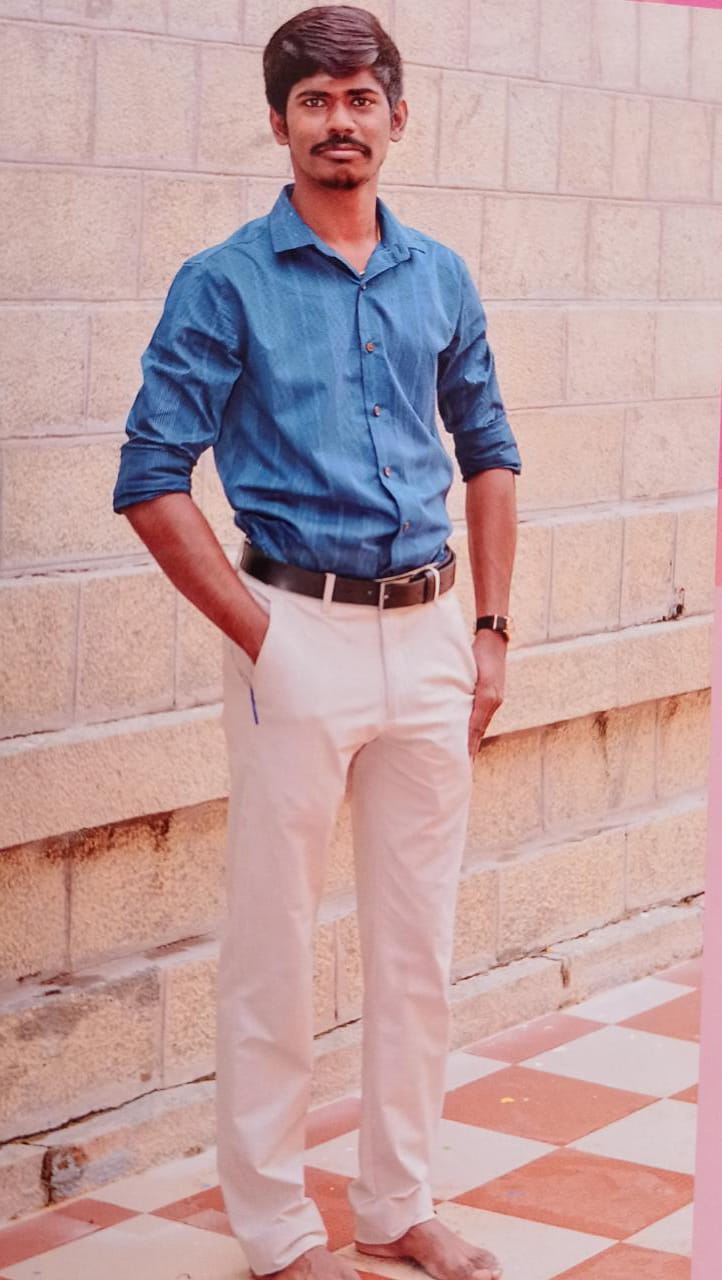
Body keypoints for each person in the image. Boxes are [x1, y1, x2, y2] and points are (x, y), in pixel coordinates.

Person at [113, 6, 520, 1279]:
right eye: (313, 99)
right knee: (273, 944)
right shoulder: (224, 280)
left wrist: (489, 630)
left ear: (396, 115)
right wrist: (263, 637)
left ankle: (396, 1202)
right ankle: (276, 1223)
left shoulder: (438, 274)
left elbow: (489, 450)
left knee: (417, 944)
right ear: (279, 120)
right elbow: (149, 477)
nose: (337, 120)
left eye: (358, 97)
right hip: (292, 629)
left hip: (432, 634)